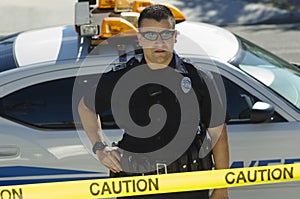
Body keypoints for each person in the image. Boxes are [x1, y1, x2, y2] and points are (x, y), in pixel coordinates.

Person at [78, 4, 229, 199]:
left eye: (165, 35)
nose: (159, 42)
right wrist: (100, 147)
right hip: (137, 187)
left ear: (175, 36)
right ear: (139, 38)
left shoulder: (198, 78)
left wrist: (221, 187)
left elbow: (218, 133)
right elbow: (86, 106)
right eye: (150, 35)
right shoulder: (123, 77)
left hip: (188, 186)